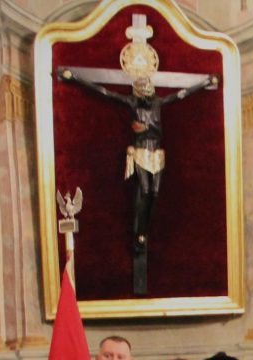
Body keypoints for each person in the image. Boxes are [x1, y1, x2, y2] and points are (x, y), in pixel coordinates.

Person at [56, 67, 216, 294]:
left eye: (148, 88)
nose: (146, 92)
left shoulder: (159, 103)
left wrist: (205, 82)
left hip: (156, 154)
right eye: (142, 89)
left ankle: (144, 231)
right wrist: (75, 77)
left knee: (155, 193)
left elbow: (181, 94)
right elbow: (105, 92)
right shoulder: (132, 103)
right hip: (140, 152)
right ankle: (139, 234)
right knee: (144, 190)